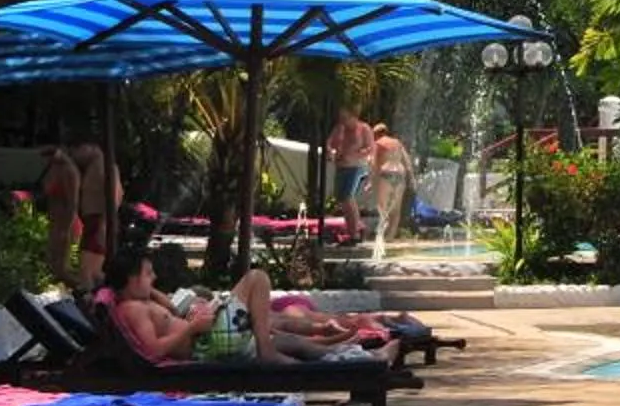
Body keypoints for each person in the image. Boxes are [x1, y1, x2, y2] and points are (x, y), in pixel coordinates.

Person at [100, 252, 362, 365]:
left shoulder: (141, 301)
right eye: (148, 274)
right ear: (132, 279)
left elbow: (170, 308)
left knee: (286, 339)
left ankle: (348, 354)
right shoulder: (132, 309)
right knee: (257, 279)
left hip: (208, 336)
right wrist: (192, 327)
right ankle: (267, 351)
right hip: (205, 341)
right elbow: (152, 351)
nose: (154, 277)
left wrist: (151, 292)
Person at [36, 141, 121, 292]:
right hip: (92, 223)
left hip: (98, 223)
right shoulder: (94, 168)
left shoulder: (106, 167)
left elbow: (114, 198)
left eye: (79, 148)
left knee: (86, 274)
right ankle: (106, 294)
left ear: (92, 147)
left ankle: (95, 305)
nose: (76, 153)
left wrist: (103, 224)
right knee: (91, 274)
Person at [325, 105, 374, 244]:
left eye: (346, 118)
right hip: (341, 166)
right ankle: (355, 227)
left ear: (354, 116)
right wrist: (331, 152)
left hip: (356, 166)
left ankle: (354, 233)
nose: (344, 121)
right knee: (341, 197)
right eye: (341, 118)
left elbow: (370, 149)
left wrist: (355, 155)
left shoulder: (363, 129)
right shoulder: (339, 128)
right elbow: (329, 143)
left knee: (347, 196)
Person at [366, 124, 415, 258]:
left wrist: (370, 182)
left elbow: (375, 163)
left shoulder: (378, 143)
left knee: (383, 207)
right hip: (399, 174)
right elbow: (407, 162)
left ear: (376, 134)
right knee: (396, 209)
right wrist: (411, 179)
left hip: (386, 174)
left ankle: (381, 235)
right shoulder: (397, 143)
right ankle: (390, 236)